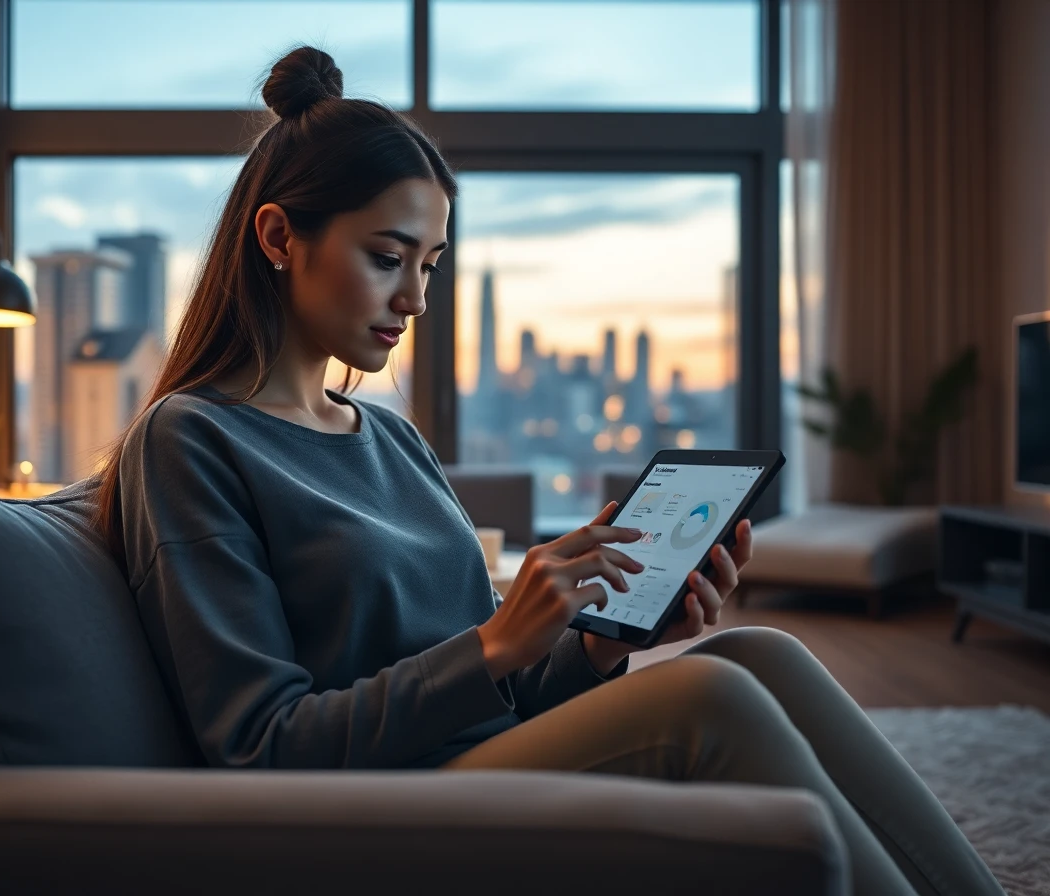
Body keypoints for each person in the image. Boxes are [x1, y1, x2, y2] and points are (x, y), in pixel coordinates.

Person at [92, 46, 1004, 896]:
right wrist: (494, 642)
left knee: (762, 651)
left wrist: (599, 644)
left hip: (477, 758)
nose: (414, 298)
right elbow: (261, 747)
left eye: (431, 264)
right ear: (279, 236)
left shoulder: (387, 436)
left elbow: (506, 692)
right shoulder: (191, 440)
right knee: (711, 697)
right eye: (386, 258)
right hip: (378, 806)